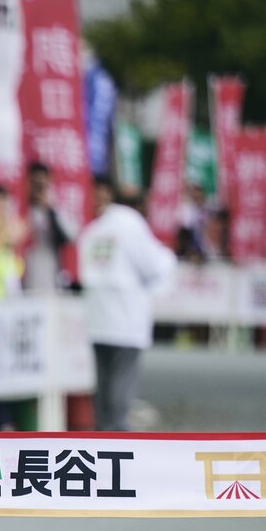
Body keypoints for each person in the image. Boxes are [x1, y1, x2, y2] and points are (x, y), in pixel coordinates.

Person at [78, 176, 177, 431]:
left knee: (102, 382)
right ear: (141, 206)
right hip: (125, 316)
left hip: (97, 315)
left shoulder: (95, 228)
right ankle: (117, 436)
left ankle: (102, 434)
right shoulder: (133, 226)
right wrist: (166, 258)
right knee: (121, 383)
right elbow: (152, 265)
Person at [24, 161, 75, 289]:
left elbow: (70, 236)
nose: (39, 189)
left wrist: (51, 210)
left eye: (43, 184)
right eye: (36, 184)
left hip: (53, 276)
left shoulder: (58, 210)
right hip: (26, 276)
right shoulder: (22, 210)